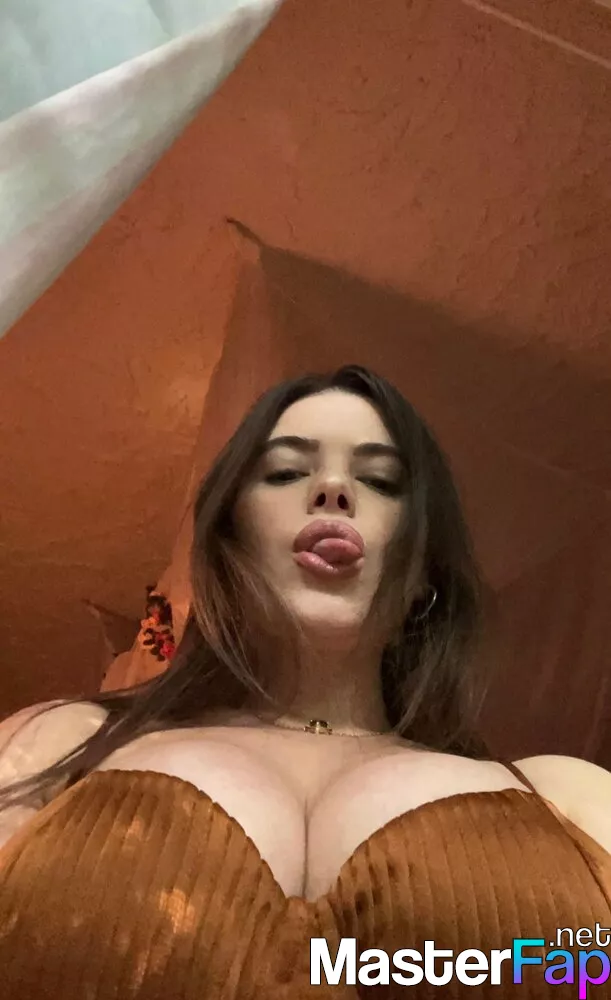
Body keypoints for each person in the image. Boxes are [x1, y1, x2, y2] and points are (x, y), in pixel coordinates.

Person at [0, 364, 609, 999]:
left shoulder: (566, 794)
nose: (333, 489)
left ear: (423, 575)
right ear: (228, 542)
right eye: (286, 472)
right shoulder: (64, 741)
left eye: (380, 481)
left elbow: (587, 968)